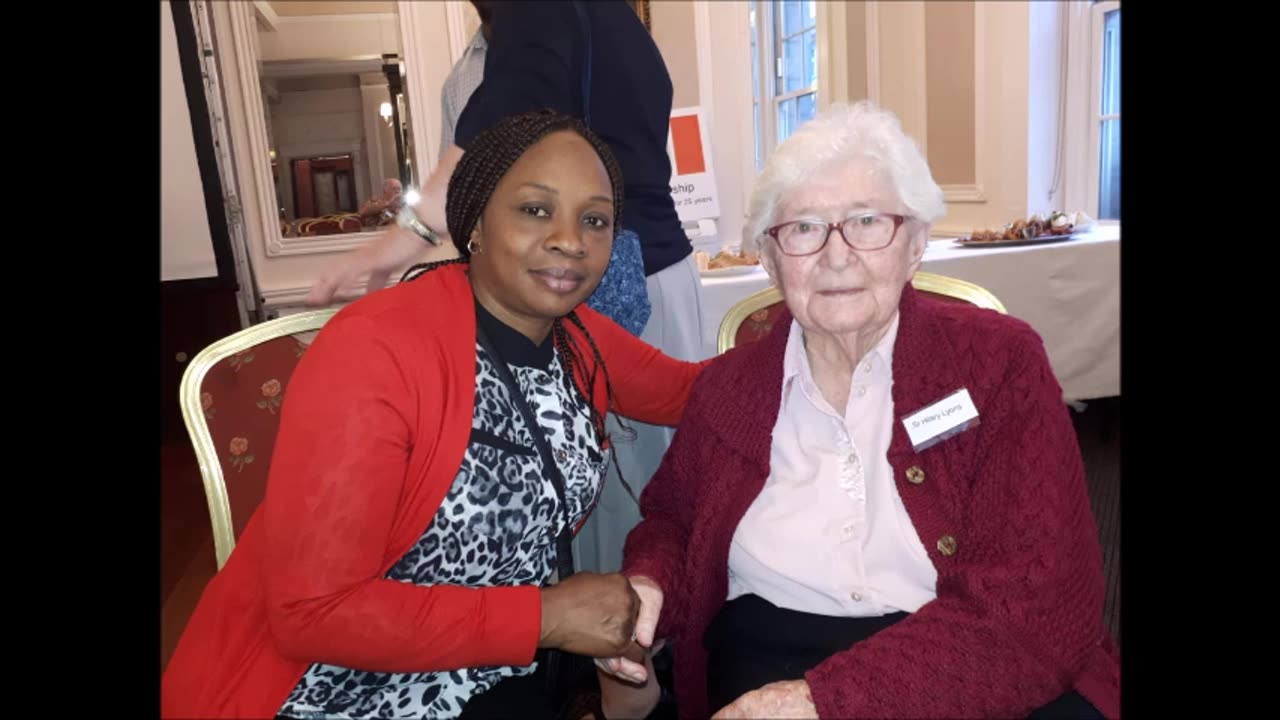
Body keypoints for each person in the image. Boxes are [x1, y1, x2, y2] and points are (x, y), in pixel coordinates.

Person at [161, 110, 707, 720]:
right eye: (535, 209)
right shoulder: (375, 348)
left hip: (506, 669)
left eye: (595, 220)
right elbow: (313, 614)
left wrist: (815, 310)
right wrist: (545, 616)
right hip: (338, 689)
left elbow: (701, 393)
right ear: (474, 221)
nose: (570, 240)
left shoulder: (577, 336)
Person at [598, 102, 1122, 719]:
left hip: (972, 656)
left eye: (868, 221)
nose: (836, 255)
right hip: (772, 650)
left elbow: (1039, 607)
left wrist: (822, 703)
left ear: (916, 244)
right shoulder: (728, 389)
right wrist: (651, 585)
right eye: (803, 229)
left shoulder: (997, 364)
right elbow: (673, 522)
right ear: (769, 259)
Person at [305, 0, 706, 577]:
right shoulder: (607, 21)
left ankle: (626, 643)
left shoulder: (541, 14)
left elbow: (486, 154)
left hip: (606, 288)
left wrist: (399, 240)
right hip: (642, 277)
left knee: (622, 517)